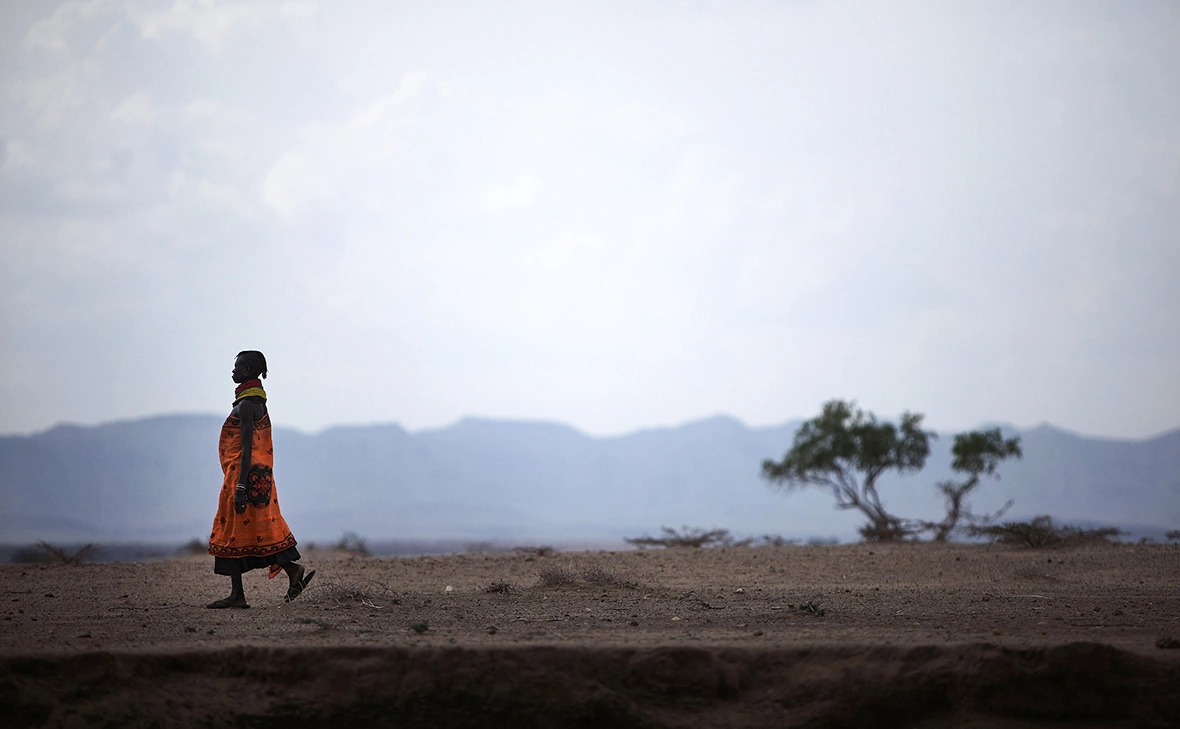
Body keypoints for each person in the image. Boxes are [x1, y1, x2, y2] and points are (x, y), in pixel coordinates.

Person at [207, 350, 314, 608]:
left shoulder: (246, 406)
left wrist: (240, 487)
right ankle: (292, 571)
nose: (233, 371)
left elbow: (247, 449)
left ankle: (238, 595)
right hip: (260, 478)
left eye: (237, 367)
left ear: (246, 371)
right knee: (256, 529)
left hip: (242, 478)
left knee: (233, 530)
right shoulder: (258, 403)